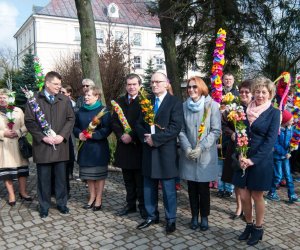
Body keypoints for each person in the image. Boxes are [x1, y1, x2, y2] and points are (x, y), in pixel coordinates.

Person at [233, 77, 280, 246]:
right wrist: (240, 155)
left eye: (263, 92)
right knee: (244, 195)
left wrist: (252, 160)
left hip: (260, 161)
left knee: (256, 195)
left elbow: (270, 141)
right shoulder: (245, 109)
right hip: (243, 157)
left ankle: (258, 228)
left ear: (270, 94)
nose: (260, 95)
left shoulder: (274, 113)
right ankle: (249, 225)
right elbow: (240, 133)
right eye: (257, 91)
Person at [136, 72, 183, 234]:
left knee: (169, 188)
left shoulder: (175, 102)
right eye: (152, 82)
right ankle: (151, 215)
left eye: (158, 82)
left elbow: (175, 127)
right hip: (148, 151)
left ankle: (171, 219)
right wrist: (146, 138)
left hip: (165, 151)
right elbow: (138, 124)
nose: (154, 84)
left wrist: (155, 139)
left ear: (166, 83)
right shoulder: (146, 101)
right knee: (148, 186)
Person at [25, 71, 75, 218]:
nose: (59, 87)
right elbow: (29, 121)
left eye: (60, 84)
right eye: (56, 84)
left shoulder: (63, 100)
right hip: (43, 147)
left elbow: (70, 119)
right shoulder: (34, 100)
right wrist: (42, 138)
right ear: (47, 83)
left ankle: (61, 203)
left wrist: (62, 136)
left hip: (60, 146)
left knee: (61, 178)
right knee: (43, 179)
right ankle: (44, 206)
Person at [179, 77, 221, 231]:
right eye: (189, 87)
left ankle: (204, 217)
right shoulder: (184, 106)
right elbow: (181, 130)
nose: (191, 90)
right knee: (191, 188)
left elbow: (216, 130)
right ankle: (194, 216)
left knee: (203, 189)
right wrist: (187, 148)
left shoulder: (212, 106)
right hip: (189, 155)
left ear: (201, 87)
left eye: (194, 87)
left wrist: (201, 147)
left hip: (205, 155)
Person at [112, 73, 146, 219]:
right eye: (129, 84)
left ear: (139, 85)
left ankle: (143, 207)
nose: (131, 87)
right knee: (128, 180)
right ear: (126, 86)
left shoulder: (145, 101)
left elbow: (144, 121)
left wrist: (131, 135)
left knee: (140, 181)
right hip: (124, 146)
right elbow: (114, 122)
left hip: (138, 146)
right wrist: (121, 136)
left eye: (134, 84)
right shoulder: (119, 101)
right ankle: (130, 205)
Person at [73, 86, 111, 211]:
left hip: (98, 148)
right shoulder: (81, 111)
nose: (86, 97)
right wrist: (79, 134)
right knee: (88, 175)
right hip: (85, 148)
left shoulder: (103, 111)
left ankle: (98, 199)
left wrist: (92, 135)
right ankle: (92, 197)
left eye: (89, 95)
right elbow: (75, 127)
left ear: (97, 96)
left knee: (99, 176)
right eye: (85, 95)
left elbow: (107, 129)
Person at [222, 80, 253, 219]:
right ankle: (239, 207)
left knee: (249, 181)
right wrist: (231, 133)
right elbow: (225, 125)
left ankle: (249, 208)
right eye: (241, 92)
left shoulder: (255, 109)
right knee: (236, 180)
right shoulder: (233, 108)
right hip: (235, 149)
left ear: (252, 93)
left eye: (247, 92)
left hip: (250, 149)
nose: (244, 94)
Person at [0, 88, 32, 206]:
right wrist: (3, 133)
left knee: (22, 171)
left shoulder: (18, 110)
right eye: (0, 97)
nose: (2, 99)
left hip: (19, 145)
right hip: (4, 147)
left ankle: (23, 192)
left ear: (10, 97)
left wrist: (18, 132)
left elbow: (26, 125)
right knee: (7, 172)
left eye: (4, 97)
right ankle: (11, 194)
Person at [266, 110, 300, 203]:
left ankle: (292, 194)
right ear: (285, 121)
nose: (293, 121)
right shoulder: (277, 131)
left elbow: (293, 140)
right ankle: (271, 192)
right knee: (278, 175)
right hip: (278, 157)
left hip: (286, 157)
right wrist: (284, 153)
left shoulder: (291, 129)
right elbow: (275, 145)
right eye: (291, 119)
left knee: (288, 176)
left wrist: (294, 146)